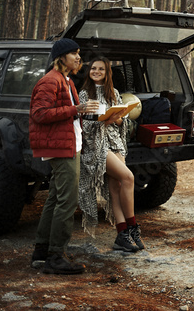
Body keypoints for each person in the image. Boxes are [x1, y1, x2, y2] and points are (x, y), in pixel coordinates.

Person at [29, 38, 99, 275]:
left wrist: (83, 112)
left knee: (56, 197)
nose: (79, 57)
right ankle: (56, 256)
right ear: (61, 57)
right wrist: (74, 110)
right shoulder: (50, 80)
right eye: (74, 53)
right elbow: (39, 114)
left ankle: (42, 251)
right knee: (67, 200)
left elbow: (65, 114)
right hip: (60, 148)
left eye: (79, 53)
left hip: (69, 144)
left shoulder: (66, 80)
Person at [77, 57, 144, 252]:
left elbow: (124, 124)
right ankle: (132, 227)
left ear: (107, 73)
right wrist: (105, 122)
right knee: (129, 177)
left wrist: (117, 119)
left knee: (116, 186)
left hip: (116, 143)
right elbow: (85, 127)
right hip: (97, 146)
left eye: (101, 69)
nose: (96, 71)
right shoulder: (84, 95)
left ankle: (121, 234)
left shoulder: (113, 93)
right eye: (93, 68)